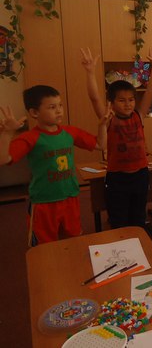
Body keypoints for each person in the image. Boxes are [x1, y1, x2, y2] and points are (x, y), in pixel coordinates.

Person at [0, 86, 108, 246]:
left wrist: (102, 125)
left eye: (60, 105)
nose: (59, 111)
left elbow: (100, 144)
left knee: (73, 242)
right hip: (44, 202)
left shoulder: (69, 132)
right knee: (44, 247)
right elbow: (3, 159)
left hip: (70, 197)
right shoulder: (30, 137)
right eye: (52, 107)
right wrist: (7, 133)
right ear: (34, 112)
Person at [80, 46, 152, 228]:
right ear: (112, 103)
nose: (128, 104)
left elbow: (150, 90)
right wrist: (90, 72)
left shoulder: (139, 115)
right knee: (119, 220)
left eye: (131, 100)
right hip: (117, 178)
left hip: (140, 175)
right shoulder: (109, 118)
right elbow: (94, 98)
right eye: (122, 100)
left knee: (138, 218)